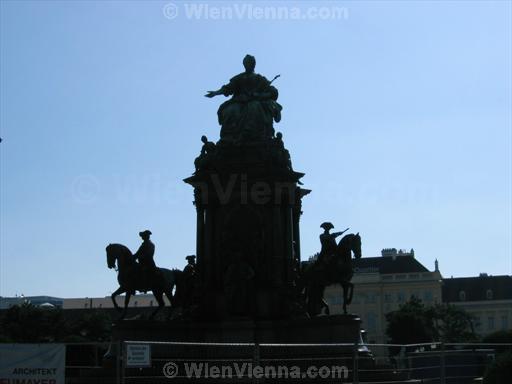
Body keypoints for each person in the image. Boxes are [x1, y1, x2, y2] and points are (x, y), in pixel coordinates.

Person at [205, 55, 282, 142]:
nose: (247, 65)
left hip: (254, 101)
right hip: (239, 101)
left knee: (254, 107)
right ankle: (229, 137)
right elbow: (227, 88)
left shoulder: (259, 78)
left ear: (254, 64)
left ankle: (251, 134)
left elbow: (272, 91)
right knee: (230, 110)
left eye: (249, 63)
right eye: (246, 63)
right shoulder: (239, 78)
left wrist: (260, 95)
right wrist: (215, 93)